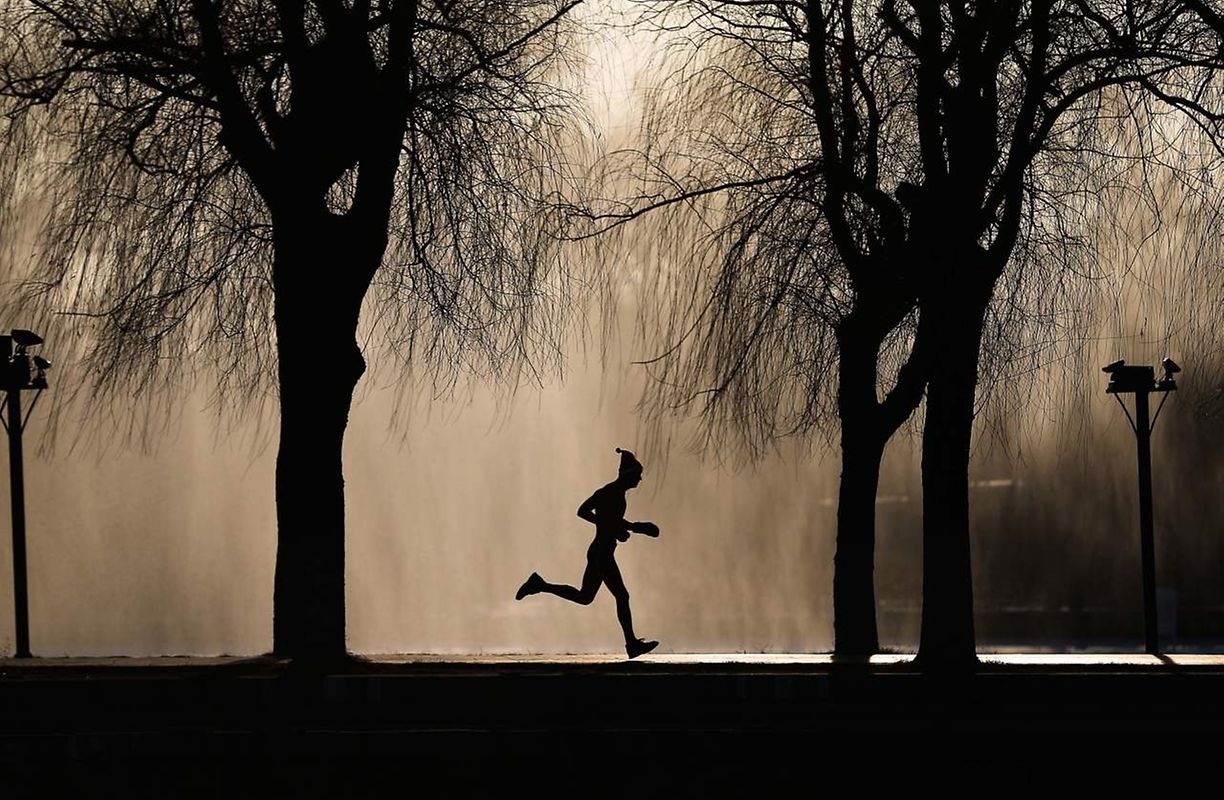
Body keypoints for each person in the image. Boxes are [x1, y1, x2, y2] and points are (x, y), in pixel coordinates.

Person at [516, 448, 661, 658]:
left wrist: (623, 528)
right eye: (637, 475)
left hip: (601, 550)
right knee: (621, 595)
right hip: (601, 552)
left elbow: (599, 517)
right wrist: (633, 527)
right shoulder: (611, 493)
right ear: (628, 475)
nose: (640, 479)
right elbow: (588, 513)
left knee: (585, 597)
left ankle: (540, 585)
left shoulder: (613, 493)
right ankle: (631, 644)